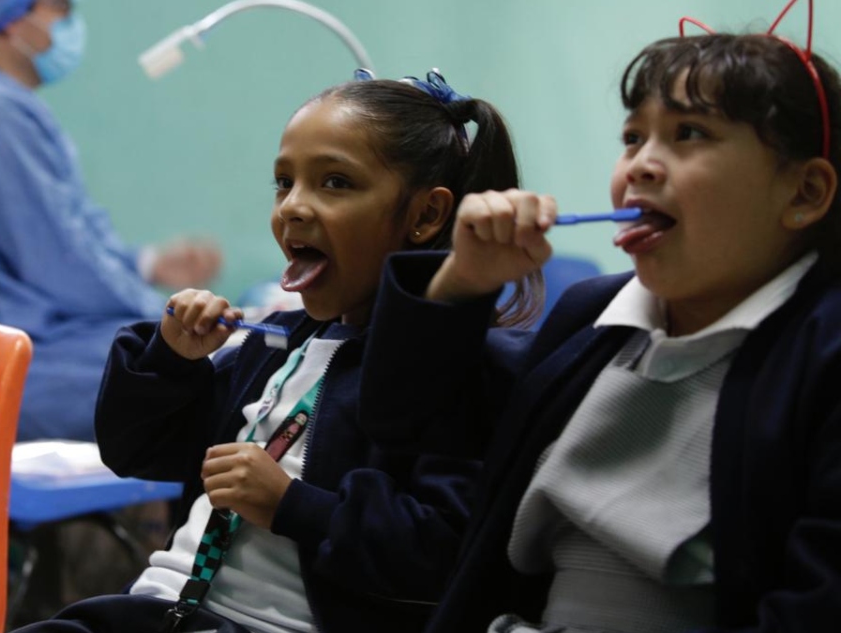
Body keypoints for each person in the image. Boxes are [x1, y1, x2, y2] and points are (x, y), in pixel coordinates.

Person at [11, 69, 539, 633]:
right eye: (284, 183)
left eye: (335, 183)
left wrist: (292, 505)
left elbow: (442, 558)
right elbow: (136, 452)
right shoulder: (278, 341)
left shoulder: (463, 369)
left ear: (425, 216)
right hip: (156, 609)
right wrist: (170, 360)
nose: (292, 207)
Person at [360, 14, 841, 632]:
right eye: (633, 138)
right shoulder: (591, 316)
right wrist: (464, 282)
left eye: (689, 133)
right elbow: (402, 418)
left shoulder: (823, 353)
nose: (640, 165)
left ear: (804, 193)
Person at [0, 0, 222, 441]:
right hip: (20, 347)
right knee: (215, 373)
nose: (70, 24)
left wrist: (145, 265)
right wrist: (171, 320)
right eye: (59, 10)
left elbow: (55, 232)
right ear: (11, 22)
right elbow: (60, 262)